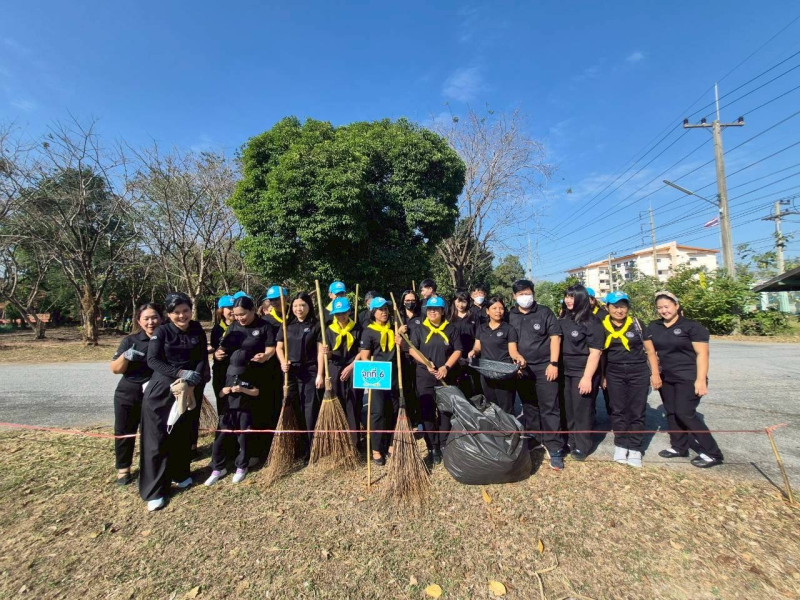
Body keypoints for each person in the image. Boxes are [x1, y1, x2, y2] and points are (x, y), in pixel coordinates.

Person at [139, 293, 210, 511]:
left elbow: (201, 357)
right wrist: (180, 373)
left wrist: (195, 379)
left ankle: (181, 473)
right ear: (168, 314)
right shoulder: (162, 332)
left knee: (182, 434)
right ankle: (155, 490)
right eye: (176, 312)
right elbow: (153, 360)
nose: (182, 316)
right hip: (162, 390)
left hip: (189, 389)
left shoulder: (196, 329)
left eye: (185, 311)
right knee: (157, 439)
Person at [646, 291, 723, 468]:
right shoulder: (654, 326)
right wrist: (654, 373)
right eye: (660, 308)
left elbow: (702, 354)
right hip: (667, 377)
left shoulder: (692, 327)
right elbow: (651, 352)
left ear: (677, 306)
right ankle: (679, 447)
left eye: (667, 306)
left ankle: (713, 453)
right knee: (672, 412)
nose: (664, 310)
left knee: (685, 412)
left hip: (688, 377)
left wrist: (701, 379)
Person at [212, 295, 276, 468]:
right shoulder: (233, 327)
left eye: (243, 314)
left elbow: (271, 348)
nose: (240, 318)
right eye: (236, 315)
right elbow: (222, 347)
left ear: (253, 310)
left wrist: (266, 355)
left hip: (257, 375)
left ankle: (255, 452)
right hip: (234, 375)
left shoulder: (264, 326)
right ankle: (233, 451)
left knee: (255, 414)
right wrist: (218, 353)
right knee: (234, 413)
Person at [508, 279, 565, 470]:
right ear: (514, 296)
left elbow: (555, 338)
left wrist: (553, 363)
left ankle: (555, 447)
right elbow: (510, 343)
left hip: (545, 367)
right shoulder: (510, 315)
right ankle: (534, 438)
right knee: (529, 405)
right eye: (521, 294)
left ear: (533, 294)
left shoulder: (544, 312)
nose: (525, 297)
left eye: (528, 293)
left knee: (550, 407)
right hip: (522, 369)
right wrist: (515, 362)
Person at [600, 291, 660, 468]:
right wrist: (603, 376)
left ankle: (634, 448)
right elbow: (601, 355)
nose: (619, 310)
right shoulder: (602, 326)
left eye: (623, 306)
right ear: (607, 308)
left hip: (638, 372)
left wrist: (655, 374)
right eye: (615, 306)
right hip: (614, 372)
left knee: (637, 410)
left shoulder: (636, 324)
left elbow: (650, 351)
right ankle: (620, 444)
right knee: (618, 409)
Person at [109, 303, 162, 485]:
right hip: (128, 392)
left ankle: (151, 466)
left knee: (153, 432)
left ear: (161, 318)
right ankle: (123, 468)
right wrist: (125, 356)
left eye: (154, 317)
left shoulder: (167, 338)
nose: (151, 322)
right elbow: (115, 369)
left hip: (155, 392)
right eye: (146, 318)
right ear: (139, 321)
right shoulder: (130, 341)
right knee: (124, 430)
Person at [409, 295, 463, 465]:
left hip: (446, 376)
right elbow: (412, 349)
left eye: (436, 309)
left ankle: (444, 442)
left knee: (445, 412)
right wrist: (426, 362)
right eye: (430, 309)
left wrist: (446, 366)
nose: (432, 312)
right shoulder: (419, 329)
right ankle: (432, 446)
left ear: (442, 311)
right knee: (427, 411)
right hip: (425, 377)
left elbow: (458, 350)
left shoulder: (451, 329)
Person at [559, 285, 605, 461]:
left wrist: (587, 377)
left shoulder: (592, 322)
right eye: (567, 296)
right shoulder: (564, 319)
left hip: (582, 371)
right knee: (568, 409)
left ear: (581, 298)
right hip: (565, 371)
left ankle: (583, 445)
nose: (568, 300)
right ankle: (570, 441)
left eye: (572, 297)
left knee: (582, 410)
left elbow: (595, 352)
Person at [276, 292, 325, 459]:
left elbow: (320, 352)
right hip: (291, 372)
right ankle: (297, 446)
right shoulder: (287, 325)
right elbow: (279, 347)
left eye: (302, 305)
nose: (299, 309)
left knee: (309, 410)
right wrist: (283, 362)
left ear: (309, 306)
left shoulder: (316, 325)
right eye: (296, 305)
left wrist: (320, 374)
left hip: (310, 372)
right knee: (294, 408)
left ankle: (312, 447)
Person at [204, 350, 260, 485]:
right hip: (228, 411)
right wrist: (224, 391)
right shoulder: (227, 374)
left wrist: (243, 389)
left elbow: (256, 392)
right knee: (220, 439)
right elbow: (220, 394)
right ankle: (218, 467)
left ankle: (242, 466)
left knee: (243, 439)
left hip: (244, 411)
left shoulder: (251, 374)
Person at [357, 296, 398, 465]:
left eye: (386, 309)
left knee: (393, 410)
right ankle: (376, 449)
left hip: (394, 375)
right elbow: (364, 357)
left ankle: (391, 444)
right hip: (378, 377)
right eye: (380, 309)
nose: (384, 312)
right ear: (373, 312)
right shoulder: (368, 331)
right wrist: (374, 373)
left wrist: (400, 342)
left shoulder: (394, 329)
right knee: (377, 412)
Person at [468, 296, 524, 414]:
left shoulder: (509, 329)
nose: (498, 311)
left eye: (501, 308)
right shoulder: (481, 328)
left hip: (504, 373)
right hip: (486, 372)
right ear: (487, 311)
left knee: (506, 407)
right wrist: (473, 351)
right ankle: (495, 426)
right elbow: (477, 347)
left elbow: (513, 352)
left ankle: (508, 426)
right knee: (491, 406)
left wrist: (518, 357)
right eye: (494, 308)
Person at [322, 296, 362, 448]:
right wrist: (327, 353)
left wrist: (351, 366)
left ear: (349, 311)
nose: (341, 316)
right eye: (338, 313)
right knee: (337, 402)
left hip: (353, 368)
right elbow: (329, 355)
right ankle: (339, 442)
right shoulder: (328, 330)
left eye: (343, 312)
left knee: (353, 403)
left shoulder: (357, 328)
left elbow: (362, 351)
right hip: (335, 368)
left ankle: (354, 442)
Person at [397, 289, 423, 429]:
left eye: (413, 300)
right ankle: (408, 418)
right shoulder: (398, 317)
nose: (410, 303)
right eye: (407, 300)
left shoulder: (422, 316)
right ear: (403, 301)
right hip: (403, 358)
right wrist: (399, 332)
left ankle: (420, 419)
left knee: (418, 388)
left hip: (418, 357)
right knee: (406, 388)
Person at [449, 290, 478, 396]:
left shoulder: (474, 316)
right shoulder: (449, 317)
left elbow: (478, 336)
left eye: (464, 302)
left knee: (473, 385)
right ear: (454, 301)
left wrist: (475, 350)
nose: (460, 305)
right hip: (454, 356)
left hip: (471, 355)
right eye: (458, 301)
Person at [209, 295, 235, 416]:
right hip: (221, 372)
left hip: (238, 372)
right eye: (229, 308)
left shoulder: (243, 327)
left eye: (234, 307)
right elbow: (214, 348)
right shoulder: (217, 329)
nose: (232, 310)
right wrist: (216, 355)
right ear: (221, 311)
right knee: (223, 405)